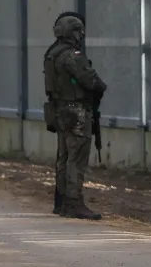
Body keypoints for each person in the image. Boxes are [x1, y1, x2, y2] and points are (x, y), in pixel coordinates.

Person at [42, 11, 106, 220]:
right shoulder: (72, 56)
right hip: (75, 111)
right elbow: (91, 81)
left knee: (64, 157)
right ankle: (74, 203)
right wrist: (98, 86)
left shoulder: (52, 54)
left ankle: (61, 202)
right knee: (76, 158)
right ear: (74, 33)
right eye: (79, 32)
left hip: (60, 111)